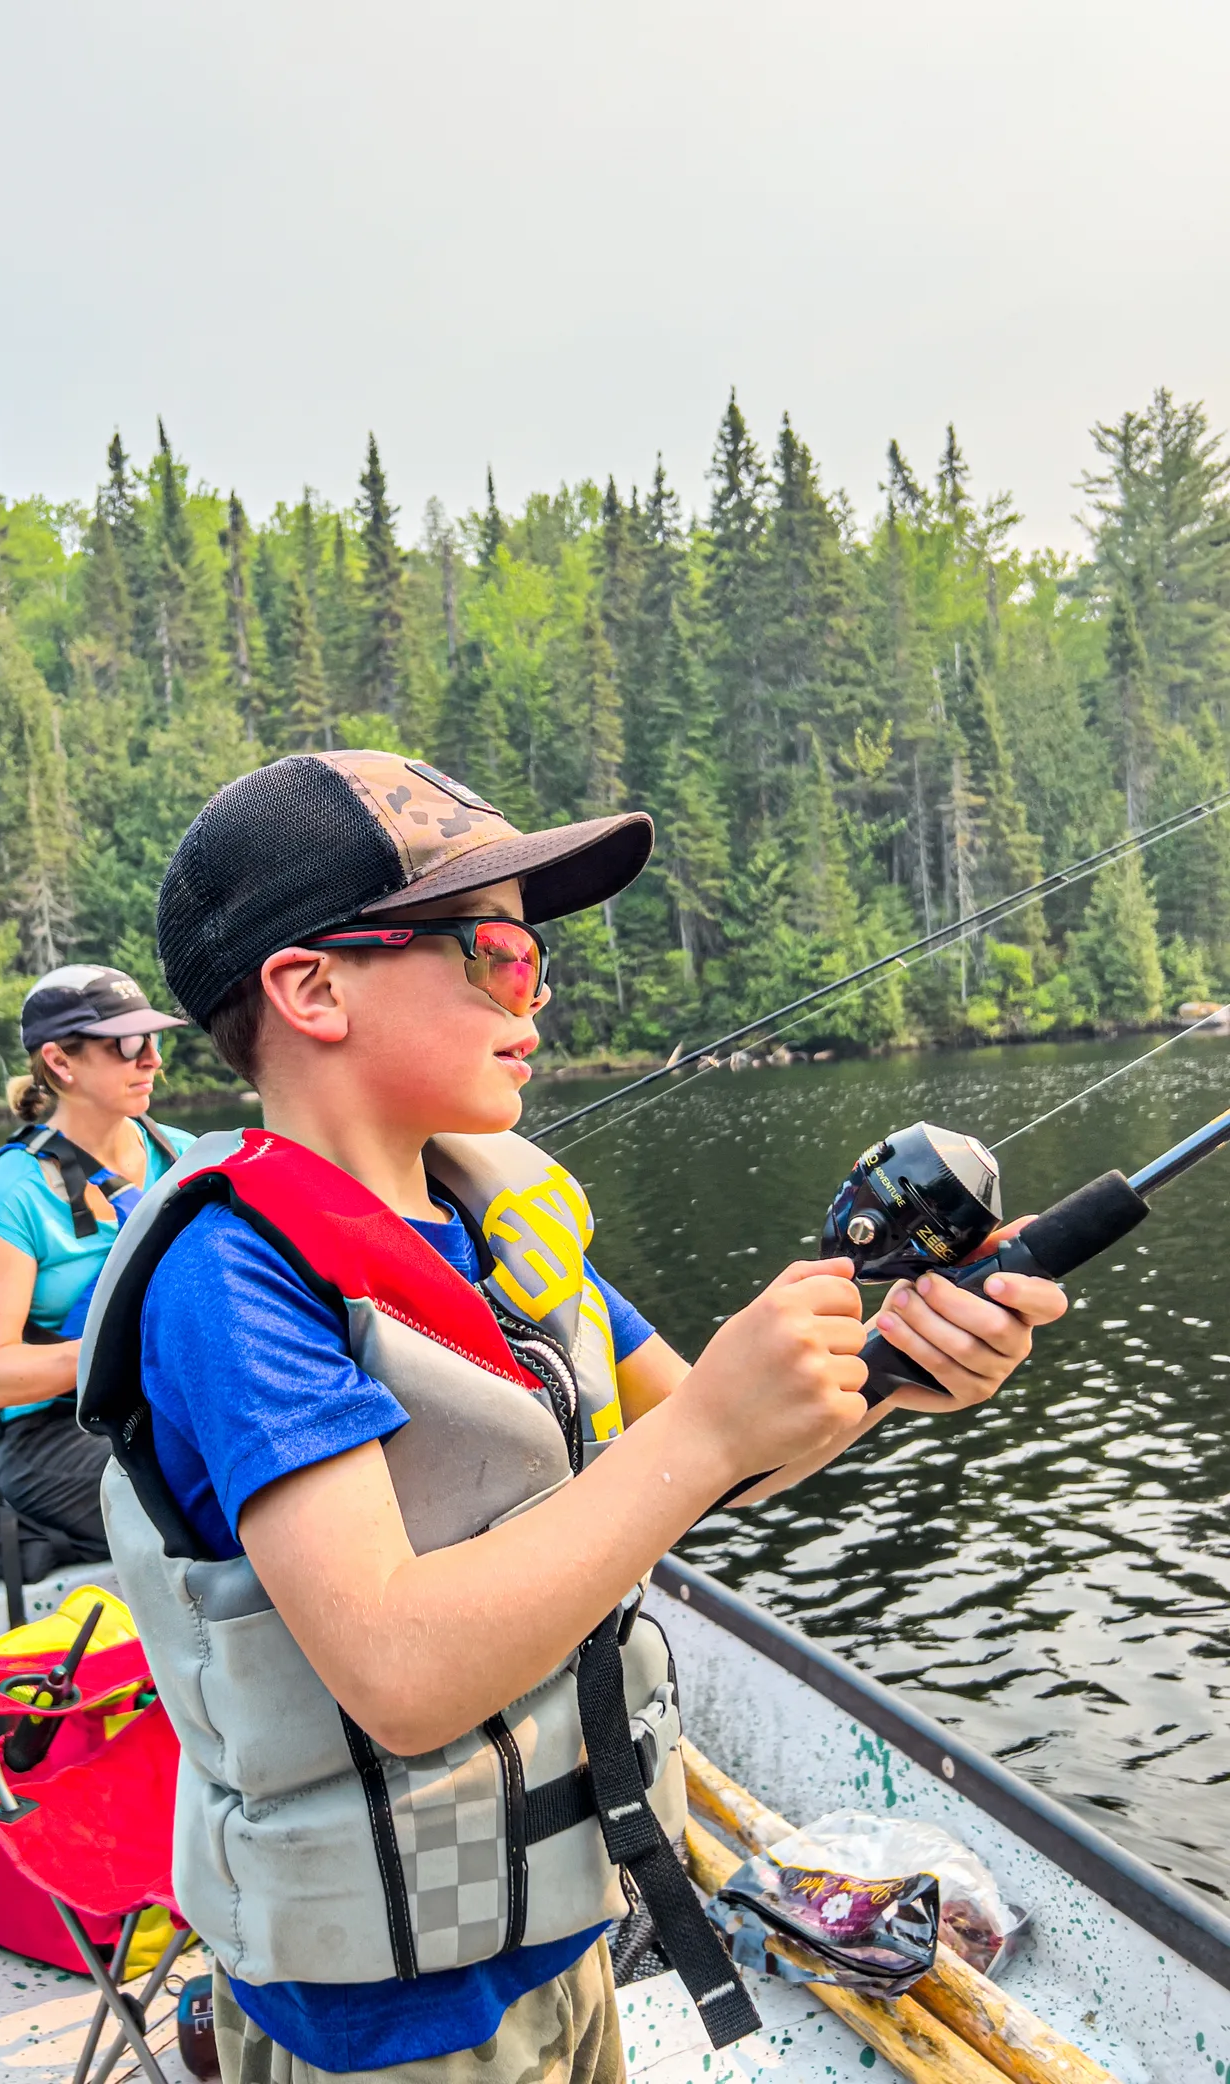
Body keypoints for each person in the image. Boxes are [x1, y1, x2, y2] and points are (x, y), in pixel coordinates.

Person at [79, 753, 1068, 2084]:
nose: (533, 991)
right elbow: (399, 1672)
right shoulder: (232, 1278)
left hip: (568, 1931)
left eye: (533, 955)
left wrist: (894, 1364)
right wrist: (710, 1429)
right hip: (389, 2027)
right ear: (310, 988)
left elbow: (724, 1462)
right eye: (492, 952)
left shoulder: (499, 1211)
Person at [0, 963, 193, 1558]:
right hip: (57, 1436)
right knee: (209, 1491)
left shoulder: (184, 1154)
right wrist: (135, 1346)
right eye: (130, 1044)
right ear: (61, 1062)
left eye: (154, 1040)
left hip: (169, 1400)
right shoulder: (13, 1193)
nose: (153, 1061)